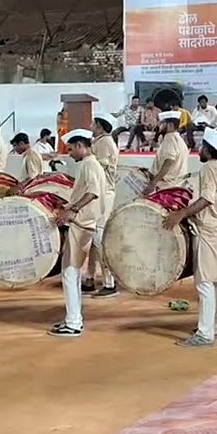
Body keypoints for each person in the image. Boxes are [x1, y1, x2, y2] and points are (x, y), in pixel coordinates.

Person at [162, 128, 217, 347]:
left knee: (204, 282)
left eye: (202, 147)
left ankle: (205, 334)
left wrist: (181, 214)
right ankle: (210, 325)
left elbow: (206, 199)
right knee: (213, 281)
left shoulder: (210, 169)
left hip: (210, 231)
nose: (199, 150)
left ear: (209, 150)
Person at [48, 129, 108, 337]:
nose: (70, 153)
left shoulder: (89, 165)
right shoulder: (91, 164)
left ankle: (73, 322)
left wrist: (71, 209)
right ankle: (72, 319)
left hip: (82, 224)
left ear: (81, 146)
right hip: (84, 222)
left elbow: (93, 192)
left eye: (72, 149)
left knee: (70, 273)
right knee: (71, 273)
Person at [84, 113, 120, 298]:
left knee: (99, 237)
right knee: (92, 237)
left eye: (93, 123)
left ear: (100, 126)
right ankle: (89, 277)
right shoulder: (100, 141)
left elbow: (101, 164)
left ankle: (110, 282)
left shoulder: (105, 143)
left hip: (103, 193)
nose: (91, 125)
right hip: (101, 192)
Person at [141, 110, 187, 195]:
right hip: (175, 185)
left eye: (162, 123)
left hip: (165, 187)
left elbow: (168, 162)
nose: (159, 125)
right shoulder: (179, 140)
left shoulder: (169, 139)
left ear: (170, 125)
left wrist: (153, 183)